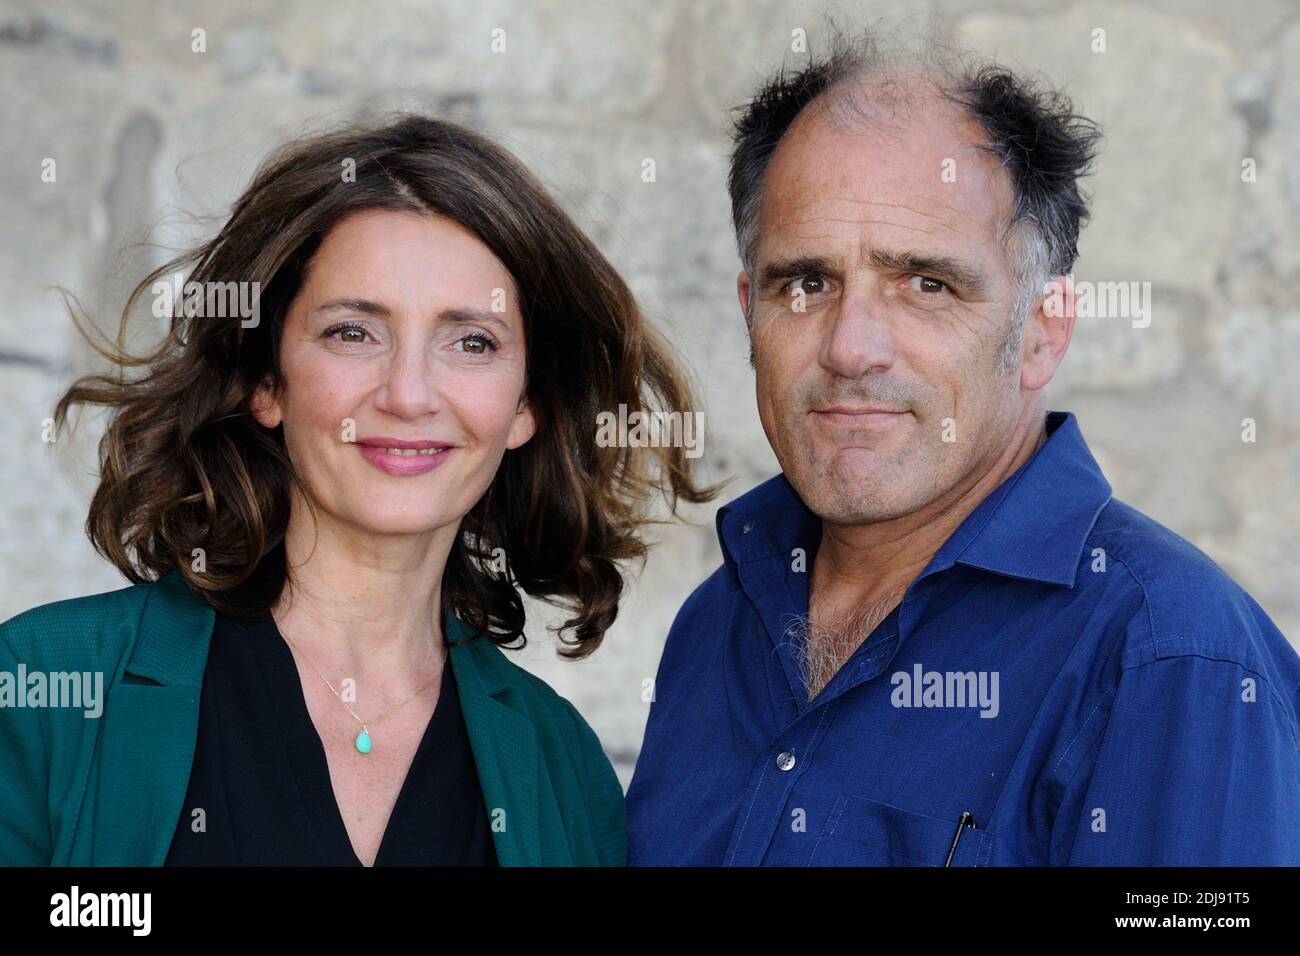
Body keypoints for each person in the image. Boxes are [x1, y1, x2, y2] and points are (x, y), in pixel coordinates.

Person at [626, 32, 1300, 866]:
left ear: (1042, 334)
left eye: (927, 285)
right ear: (749, 313)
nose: (852, 347)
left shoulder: (1171, 661)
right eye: (805, 283)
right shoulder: (716, 624)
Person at [0, 114, 712, 866]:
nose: (409, 395)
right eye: (353, 332)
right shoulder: (46, 684)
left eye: (472, 342)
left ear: (526, 406)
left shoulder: (565, 771)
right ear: (266, 380)